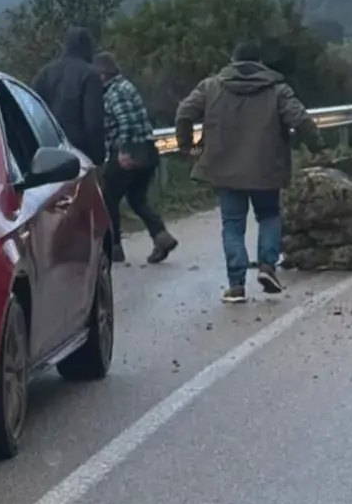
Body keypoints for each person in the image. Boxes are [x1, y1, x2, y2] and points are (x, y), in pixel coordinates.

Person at [175, 40, 322, 302]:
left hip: (224, 169)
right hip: (267, 168)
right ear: (260, 63)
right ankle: (267, 266)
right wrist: (316, 146)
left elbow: (184, 113)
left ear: (233, 61)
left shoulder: (211, 86)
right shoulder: (277, 89)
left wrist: (188, 148)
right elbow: (300, 119)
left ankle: (236, 285)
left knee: (232, 224)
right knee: (268, 216)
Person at [94, 53, 177, 264]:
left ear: (103, 74)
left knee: (108, 196)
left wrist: (124, 150)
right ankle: (161, 236)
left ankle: (114, 246)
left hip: (131, 151)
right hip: (147, 150)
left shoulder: (115, 92)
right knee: (136, 198)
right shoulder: (126, 86)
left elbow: (126, 122)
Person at [32, 27, 108, 168]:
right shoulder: (90, 75)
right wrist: (98, 156)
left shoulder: (44, 74)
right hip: (80, 155)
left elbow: (34, 114)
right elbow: (93, 122)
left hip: (47, 154)